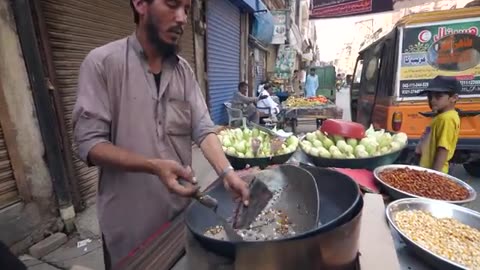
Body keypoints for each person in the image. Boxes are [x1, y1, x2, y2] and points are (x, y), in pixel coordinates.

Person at [72, 0, 250, 268]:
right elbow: (89, 143)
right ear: (140, 4)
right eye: (172, 5)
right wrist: (153, 166)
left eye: (187, 10)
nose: (181, 18)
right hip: (130, 223)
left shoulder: (183, 72)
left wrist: (228, 173)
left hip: (180, 215)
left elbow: (202, 127)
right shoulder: (102, 64)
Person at [417, 75, 461, 174]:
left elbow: (443, 149)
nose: (432, 100)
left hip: (433, 172)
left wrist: (435, 176)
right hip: (426, 170)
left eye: (438, 96)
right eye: (430, 96)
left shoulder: (447, 119)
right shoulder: (441, 116)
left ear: (454, 98)